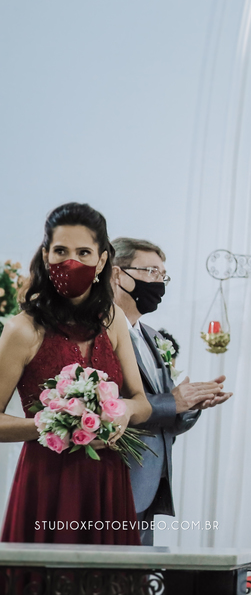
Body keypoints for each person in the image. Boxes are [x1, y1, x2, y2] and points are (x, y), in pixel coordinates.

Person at [0, 203, 152, 544]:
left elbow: (141, 402)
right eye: (61, 251)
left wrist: (123, 411)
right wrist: (56, 424)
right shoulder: (22, 330)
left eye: (83, 252)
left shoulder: (112, 318)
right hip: (47, 481)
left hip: (108, 479)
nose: (71, 262)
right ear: (45, 256)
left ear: (101, 260)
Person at [111, 237, 231, 545]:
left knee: (138, 573)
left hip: (151, 480)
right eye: (151, 271)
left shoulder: (153, 337)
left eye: (163, 275)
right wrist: (172, 402)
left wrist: (191, 404)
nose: (159, 282)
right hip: (114, 477)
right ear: (116, 274)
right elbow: (109, 407)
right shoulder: (99, 333)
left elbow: (166, 412)